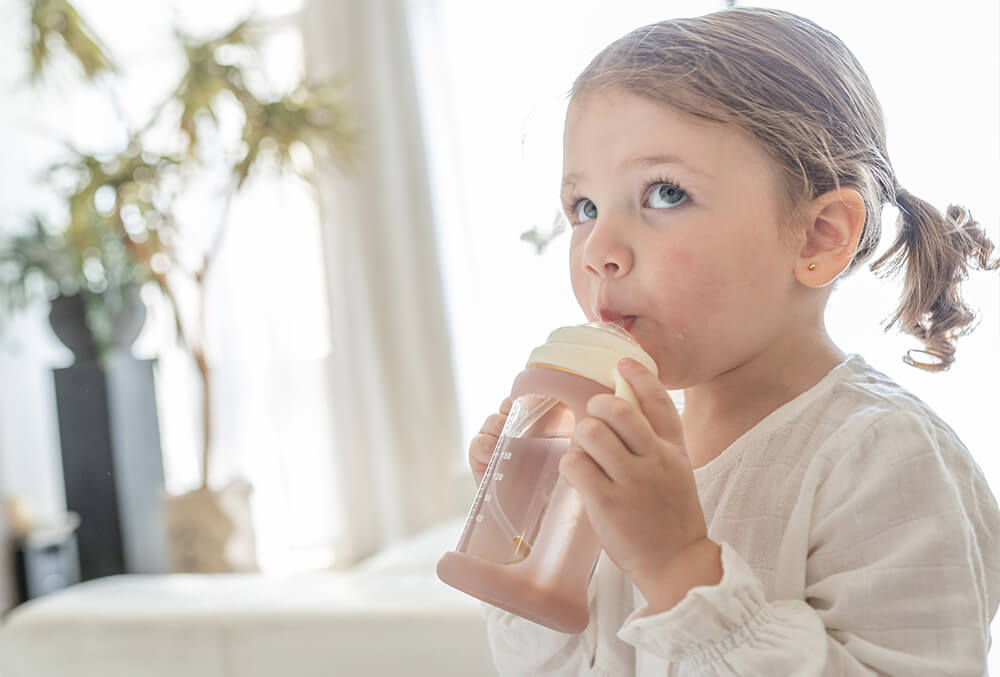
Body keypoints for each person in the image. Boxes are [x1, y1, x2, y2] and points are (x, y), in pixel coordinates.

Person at [466, 7, 1000, 675]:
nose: (598, 248)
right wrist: (530, 538)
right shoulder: (626, 456)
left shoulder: (880, 456)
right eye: (585, 208)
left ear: (818, 236)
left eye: (664, 193)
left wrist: (679, 565)